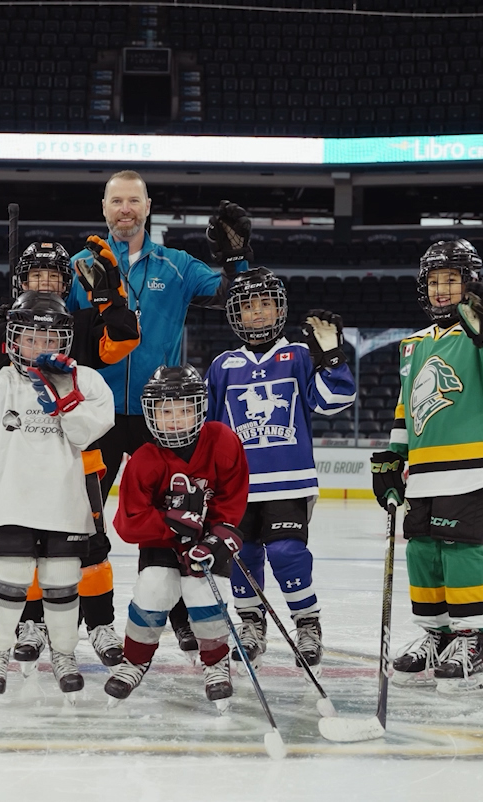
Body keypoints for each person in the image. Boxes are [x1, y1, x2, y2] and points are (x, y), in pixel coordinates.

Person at [67, 171, 252, 655]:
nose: (125, 209)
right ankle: (98, 621)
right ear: (104, 208)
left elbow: (234, 296)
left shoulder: (178, 266)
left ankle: (184, 615)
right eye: (116, 201)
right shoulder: (79, 267)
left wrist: (235, 258)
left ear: (147, 207)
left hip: (163, 415)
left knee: (180, 515)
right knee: (85, 521)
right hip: (96, 411)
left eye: (133, 200)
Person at [0, 240, 139, 669]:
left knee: (91, 547)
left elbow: (123, 338)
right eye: (36, 276)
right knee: (26, 545)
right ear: (21, 281)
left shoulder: (81, 321)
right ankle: (32, 624)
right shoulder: (12, 325)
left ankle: (100, 623)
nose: (45, 282)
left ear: (68, 284)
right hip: (26, 456)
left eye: (53, 276)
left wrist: (109, 297)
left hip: (79, 456)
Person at [371, 239, 483, 696]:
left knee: (459, 551)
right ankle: (437, 635)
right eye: (435, 281)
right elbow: (407, 408)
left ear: (470, 283)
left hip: (470, 469)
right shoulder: (413, 343)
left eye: (451, 280)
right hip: (421, 472)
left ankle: (473, 640)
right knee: (423, 552)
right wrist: (394, 457)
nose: (442, 290)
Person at [0, 291, 115, 699]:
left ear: (64, 342)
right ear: (13, 340)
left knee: (62, 584)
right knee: (10, 581)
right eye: (30, 338)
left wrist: (65, 398)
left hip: (66, 502)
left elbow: (83, 435)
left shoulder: (88, 381)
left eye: (49, 339)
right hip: (12, 502)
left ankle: (64, 654)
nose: (39, 347)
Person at [205, 267, 355, 669]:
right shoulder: (223, 365)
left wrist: (333, 359)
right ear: (235, 313)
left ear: (279, 309)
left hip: (288, 483)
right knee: (242, 557)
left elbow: (332, 402)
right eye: (248, 306)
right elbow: (208, 428)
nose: (257, 313)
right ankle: (252, 624)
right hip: (236, 487)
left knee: (288, 553)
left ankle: (307, 623)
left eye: (265, 304)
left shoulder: (301, 355)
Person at [102, 365, 250, 707]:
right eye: (165, 412)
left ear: (200, 408)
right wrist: (170, 523)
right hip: (162, 546)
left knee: (202, 594)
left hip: (207, 541)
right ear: (151, 415)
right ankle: (134, 661)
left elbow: (232, 503)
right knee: (153, 589)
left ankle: (216, 663)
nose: (174, 420)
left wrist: (213, 540)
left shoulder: (223, 440)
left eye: (184, 410)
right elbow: (128, 523)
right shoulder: (145, 458)